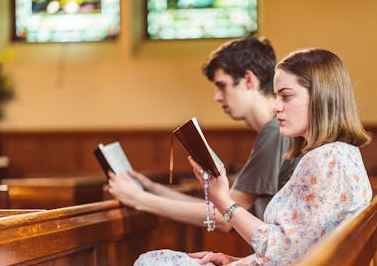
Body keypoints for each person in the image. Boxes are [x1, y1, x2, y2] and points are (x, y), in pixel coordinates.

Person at [120, 48, 373, 266]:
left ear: (322, 97)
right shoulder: (341, 154)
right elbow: (299, 246)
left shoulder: (325, 160)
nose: (275, 108)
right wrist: (243, 262)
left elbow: (282, 250)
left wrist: (223, 199)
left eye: (286, 96)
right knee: (158, 263)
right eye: (276, 96)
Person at [108, 36, 299, 231]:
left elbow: (224, 217)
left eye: (221, 85)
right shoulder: (276, 130)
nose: (217, 97)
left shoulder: (274, 131)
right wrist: (154, 190)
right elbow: (223, 207)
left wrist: (139, 199)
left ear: (248, 80)